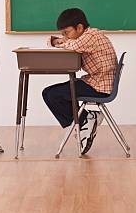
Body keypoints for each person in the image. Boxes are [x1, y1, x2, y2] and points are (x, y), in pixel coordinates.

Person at [42, 8, 117, 155]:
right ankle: (85, 123)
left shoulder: (91, 35)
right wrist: (61, 40)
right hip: (94, 82)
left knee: (52, 95)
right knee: (49, 93)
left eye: (67, 32)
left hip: (99, 86)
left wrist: (59, 42)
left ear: (80, 27)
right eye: (63, 33)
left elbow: (72, 45)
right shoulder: (85, 36)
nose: (65, 36)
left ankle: (85, 122)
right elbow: (62, 42)